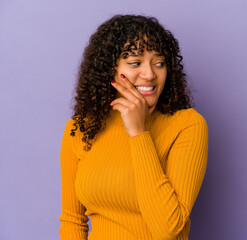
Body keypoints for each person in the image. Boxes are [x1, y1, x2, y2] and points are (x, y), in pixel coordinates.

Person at [58, 14, 208, 240]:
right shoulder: (80, 129)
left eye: (159, 63)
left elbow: (168, 230)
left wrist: (139, 132)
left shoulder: (187, 125)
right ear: (109, 69)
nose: (149, 75)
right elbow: (72, 221)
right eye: (135, 63)